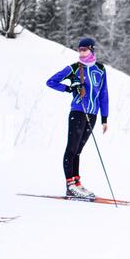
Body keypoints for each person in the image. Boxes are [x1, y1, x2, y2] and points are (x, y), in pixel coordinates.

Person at [46, 38, 109, 198]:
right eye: (79, 50)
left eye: (85, 49)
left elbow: (103, 94)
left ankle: (77, 183)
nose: (81, 52)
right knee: (72, 149)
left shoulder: (100, 69)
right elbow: (51, 82)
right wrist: (69, 88)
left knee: (78, 151)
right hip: (78, 112)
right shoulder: (74, 68)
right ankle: (70, 185)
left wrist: (104, 118)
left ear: (92, 50)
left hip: (93, 114)